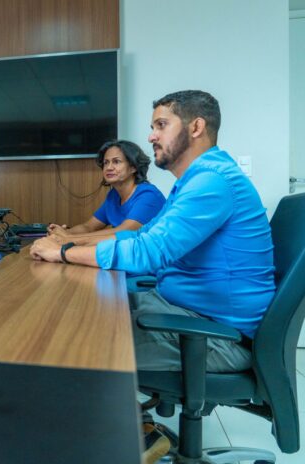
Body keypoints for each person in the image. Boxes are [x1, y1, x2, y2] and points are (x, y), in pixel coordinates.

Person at [30, 90, 275, 464]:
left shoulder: (213, 182)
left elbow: (149, 252)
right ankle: (135, 428)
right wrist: (71, 245)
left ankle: (120, 442)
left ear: (196, 127)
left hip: (216, 336)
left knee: (74, 346)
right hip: (189, 314)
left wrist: (64, 252)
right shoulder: (193, 181)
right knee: (85, 317)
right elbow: (142, 236)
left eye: (161, 125)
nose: (151, 136)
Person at [48, 140, 165, 246]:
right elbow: (88, 227)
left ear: (133, 167)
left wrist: (69, 238)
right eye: (106, 162)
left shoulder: (149, 195)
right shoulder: (114, 195)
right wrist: (62, 232)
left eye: (116, 162)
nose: (109, 167)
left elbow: (124, 231)